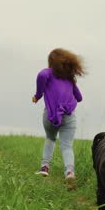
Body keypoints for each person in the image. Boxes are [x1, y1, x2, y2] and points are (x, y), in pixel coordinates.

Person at [32, 48, 84, 188]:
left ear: (51, 62)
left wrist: (38, 95)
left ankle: (44, 167)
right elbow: (79, 98)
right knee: (67, 146)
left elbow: (42, 75)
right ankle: (69, 172)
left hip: (50, 115)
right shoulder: (69, 79)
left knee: (50, 138)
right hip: (69, 115)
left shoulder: (47, 73)